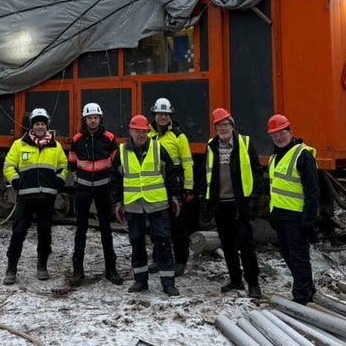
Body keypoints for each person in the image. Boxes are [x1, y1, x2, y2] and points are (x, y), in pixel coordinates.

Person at [111, 114, 184, 297]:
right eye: (137, 131)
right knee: (136, 243)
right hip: (134, 205)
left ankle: (168, 283)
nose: (141, 134)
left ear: (147, 131)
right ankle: (140, 281)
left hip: (157, 204)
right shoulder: (121, 152)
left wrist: (175, 196)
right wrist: (117, 202)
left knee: (163, 242)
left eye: (143, 131)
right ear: (130, 131)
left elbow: (172, 175)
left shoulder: (158, 149)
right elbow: (115, 181)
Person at [2, 107, 69, 285]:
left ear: (47, 126)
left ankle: (42, 266)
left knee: (45, 233)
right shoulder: (19, 144)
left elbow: (63, 166)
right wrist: (16, 181)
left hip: (47, 199)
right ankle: (11, 268)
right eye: (37, 124)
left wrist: (59, 181)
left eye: (42, 124)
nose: (40, 127)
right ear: (32, 126)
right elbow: (8, 165)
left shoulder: (56, 146)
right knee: (18, 233)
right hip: (25, 198)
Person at [203, 108, 262, 298]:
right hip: (221, 204)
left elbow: (256, 172)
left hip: (239, 203)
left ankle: (253, 283)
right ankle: (235, 280)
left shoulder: (245, 143)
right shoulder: (211, 146)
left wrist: (253, 199)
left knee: (246, 244)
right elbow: (206, 176)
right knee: (227, 245)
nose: (222, 128)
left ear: (232, 125)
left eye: (225, 124)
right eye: (219, 125)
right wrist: (206, 202)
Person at [67, 102, 123, 286]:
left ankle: (111, 270)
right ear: (85, 119)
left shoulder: (109, 138)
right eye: (90, 118)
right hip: (83, 190)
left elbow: (115, 164)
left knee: (106, 229)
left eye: (95, 118)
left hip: (103, 190)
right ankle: (78, 272)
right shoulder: (77, 139)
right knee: (80, 230)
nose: (93, 121)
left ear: (100, 119)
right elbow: (72, 162)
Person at [266, 113, 319, 305]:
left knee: (299, 258)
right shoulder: (274, 157)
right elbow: (274, 188)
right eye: (274, 135)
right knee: (288, 256)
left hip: (297, 217)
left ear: (290, 131)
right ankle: (307, 289)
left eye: (281, 133)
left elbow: (313, 192)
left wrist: (309, 221)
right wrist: (272, 214)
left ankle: (302, 298)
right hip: (281, 216)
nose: (278, 138)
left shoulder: (302, 155)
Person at [149, 97, 194, 275]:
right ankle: (159, 258)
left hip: (174, 186)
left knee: (176, 225)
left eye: (166, 114)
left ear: (170, 116)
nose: (163, 117)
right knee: (157, 225)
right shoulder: (149, 135)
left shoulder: (178, 135)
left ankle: (180, 260)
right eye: (160, 114)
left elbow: (187, 161)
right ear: (155, 114)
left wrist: (188, 187)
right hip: (155, 186)